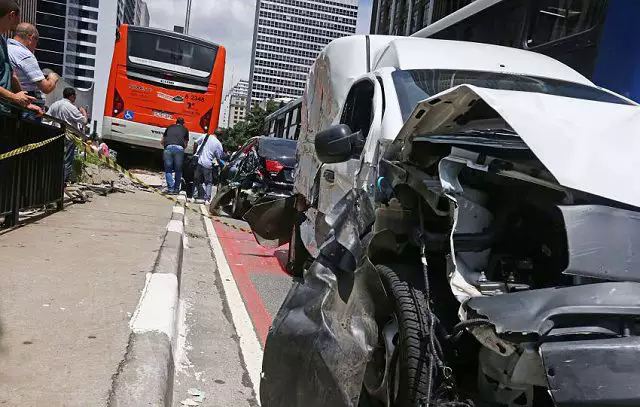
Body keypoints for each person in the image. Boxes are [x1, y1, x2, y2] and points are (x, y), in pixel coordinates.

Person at [8, 22, 60, 109]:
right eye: (37, 42)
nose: (35, 47)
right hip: (24, 103)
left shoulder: (5, 47)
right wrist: (52, 78)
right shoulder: (25, 55)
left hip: (8, 98)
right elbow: (46, 88)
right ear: (31, 37)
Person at [0, 0, 38, 111]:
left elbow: (11, 74)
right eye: (17, 20)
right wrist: (14, 97)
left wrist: (25, 102)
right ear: (11, 15)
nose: (16, 26)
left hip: (5, 110)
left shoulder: (3, 41)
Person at [48, 88, 88, 183]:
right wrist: (84, 112)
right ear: (72, 96)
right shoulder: (71, 107)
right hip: (69, 136)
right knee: (67, 159)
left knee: (57, 156)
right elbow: (84, 121)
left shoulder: (55, 104)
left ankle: (54, 178)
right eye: (75, 96)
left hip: (56, 133)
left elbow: (47, 117)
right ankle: (63, 181)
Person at [193, 127, 224, 203]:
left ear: (214, 132)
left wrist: (194, 152)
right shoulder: (218, 144)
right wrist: (222, 165)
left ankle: (194, 196)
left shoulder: (205, 136)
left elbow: (195, 142)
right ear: (220, 136)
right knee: (208, 182)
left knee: (196, 179)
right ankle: (207, 199)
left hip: (199, 161)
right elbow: (219, 157)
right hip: (208, 164)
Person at [161, 117, 190, 195]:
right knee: (178, 170)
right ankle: (176, 189)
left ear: (176, 122)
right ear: (183, 123)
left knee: (168, 170)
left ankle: (170, 189)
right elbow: (186, 143)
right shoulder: (185, 129)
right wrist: (182, 149)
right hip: (179, 149)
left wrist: (167, 146)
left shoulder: (169, 127)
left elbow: (162, 141)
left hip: (168, 147)